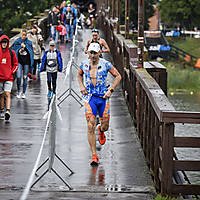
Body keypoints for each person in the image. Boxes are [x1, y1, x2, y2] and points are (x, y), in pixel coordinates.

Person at [78, 43, 121, 165]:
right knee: (90, 125)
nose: (92, 55)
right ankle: (94, 155)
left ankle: (101, 130)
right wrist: (81, 86)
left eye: (95, 53)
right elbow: (79, 74)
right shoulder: (84, 64)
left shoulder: (106, 64)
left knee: (105, 126)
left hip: (103, 98)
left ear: (99, 53)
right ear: (88, 53)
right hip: (89, 98)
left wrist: (110, 90)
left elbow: (118, 76)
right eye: (91, 53)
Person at [0, 35, 18, 120]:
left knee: (7, 93)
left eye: (5, 42)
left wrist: (11, 72)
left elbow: (16, 64)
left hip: (8, 77)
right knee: (1, 95)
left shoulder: (11, 52)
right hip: (0, 78)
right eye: (3, 42)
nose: (4, 44)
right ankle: (1, 110)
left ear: (7, 43)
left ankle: (8, 111)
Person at [12, 29, 34, 99]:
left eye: (25, 35)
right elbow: (14, 50)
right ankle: (18, 91)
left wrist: (25, 47)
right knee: (18, 76)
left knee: (25, 77)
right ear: (20, 35)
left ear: (26, 35)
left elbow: (31, 52)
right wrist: (19, 50)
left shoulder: (29, 42)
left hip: (26, 62)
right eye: (22, 35)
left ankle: (23, 93)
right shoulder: (17, 42)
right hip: (19, 62)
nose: (23, 36)